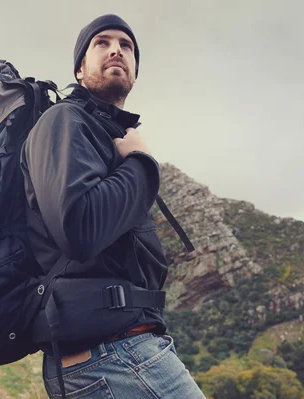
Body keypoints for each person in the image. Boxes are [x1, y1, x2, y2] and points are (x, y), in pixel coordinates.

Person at [20, 14, 206, 398]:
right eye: (101, 43)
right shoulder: (64, 120)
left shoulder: (101, 133)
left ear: (135, 68)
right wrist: (140, 162)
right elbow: (81, 229)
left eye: (127, 46)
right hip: (112, 355)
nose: (116, 49)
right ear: (80, 68)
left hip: (112, 352)